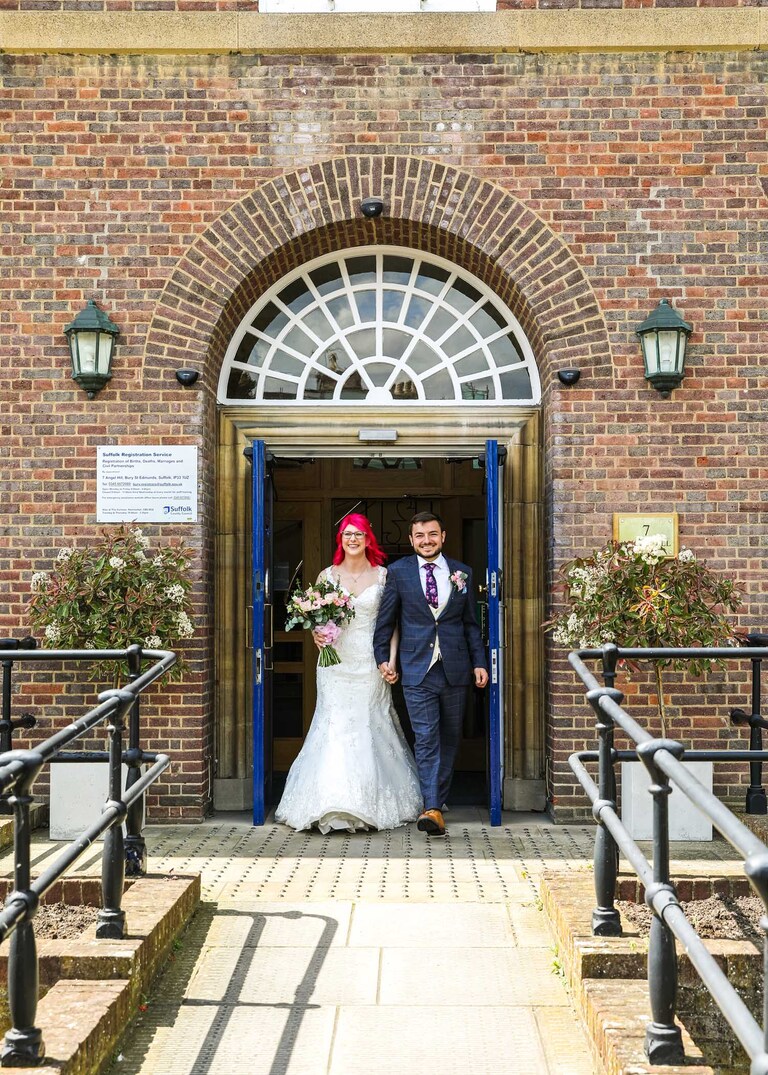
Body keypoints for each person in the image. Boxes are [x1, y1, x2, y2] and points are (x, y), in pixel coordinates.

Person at [275, 513, 422, 834]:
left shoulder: (384, 576)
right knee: (334, 723)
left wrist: (391, 661)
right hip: (335, 664)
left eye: (358, 534)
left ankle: (368, 801)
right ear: (340, 540)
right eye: (346, 534)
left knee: (370, 722)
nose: (352, 539)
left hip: (371, 662)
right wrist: (317, 634)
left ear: (369, 539)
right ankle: (328, 801)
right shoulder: (327, 576)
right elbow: (317, 620)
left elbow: (393, 625)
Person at [373, 511, 489, 837]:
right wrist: (383, 658)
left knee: (450, 738)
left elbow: (470, 624)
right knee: (426, 739)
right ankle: (432, 807)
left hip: (455, 669)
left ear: (443, 536)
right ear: (411, 540)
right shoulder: (398, 574)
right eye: (420, 536)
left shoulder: (461, 573)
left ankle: (437, 800)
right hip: (416, 670)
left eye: (432, 534)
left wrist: (479, 662)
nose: (427, 540)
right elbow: (386, 621)